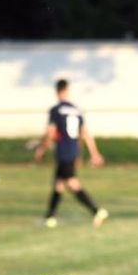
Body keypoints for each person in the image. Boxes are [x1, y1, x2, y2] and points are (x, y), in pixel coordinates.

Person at [34, 79, 109, 228]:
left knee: (72, 184)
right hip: (72, 150)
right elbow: (84, 134)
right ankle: (50, 217)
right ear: (67, 90)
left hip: (63, 152)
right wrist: (94, 153)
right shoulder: (76, 109)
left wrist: (41, 149)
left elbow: (50, 133)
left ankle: (96, 210)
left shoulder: (55, 110)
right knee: (58, 184)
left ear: (57, 91)